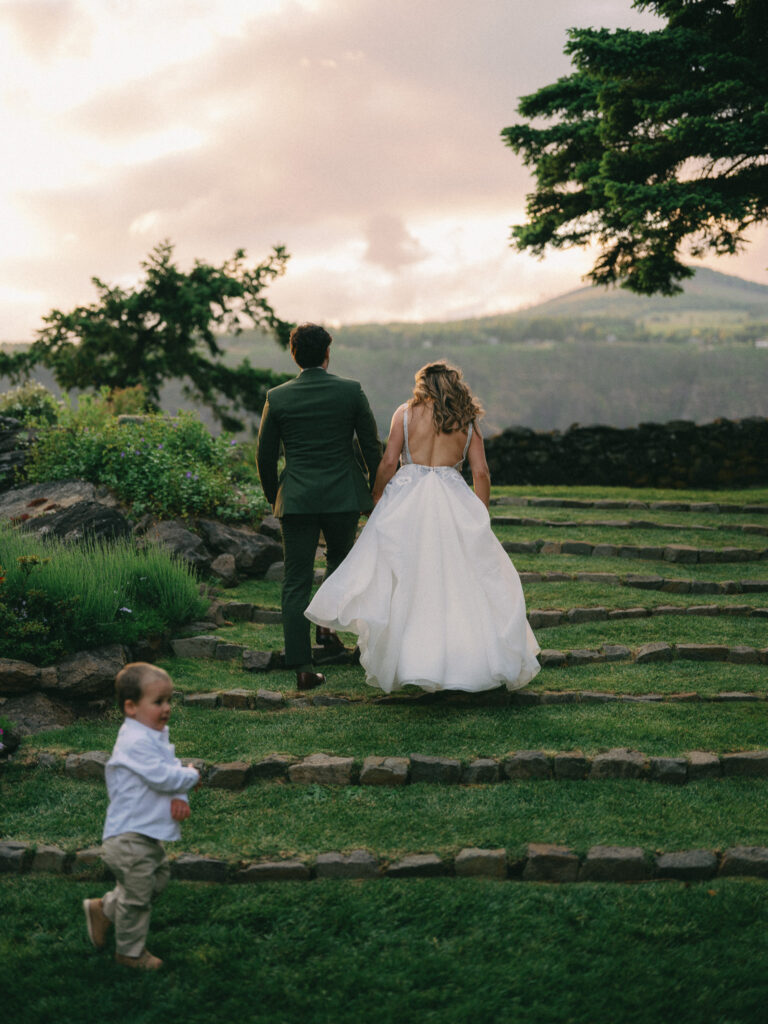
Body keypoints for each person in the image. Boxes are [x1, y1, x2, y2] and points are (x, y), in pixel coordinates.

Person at [306, 360, 541, 694]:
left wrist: (377, 495)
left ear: (422, 385)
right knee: (459, 581)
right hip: (452, 500)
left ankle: (410, 660)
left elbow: (389, 462)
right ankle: (462, 658)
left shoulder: (404, 413)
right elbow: (482, 472)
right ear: (453, 385)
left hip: (408, 501)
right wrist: (479, 513)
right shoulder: (467, 419)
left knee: (406, 580)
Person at [256, 322, 381, 691]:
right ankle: (327, 627)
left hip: (296, 498)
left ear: (293, 355)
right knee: (340, 564)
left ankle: (303, 667)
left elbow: (264, 456)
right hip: (343, 496)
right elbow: (371, 446)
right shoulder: (350, 391)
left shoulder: (277, 397)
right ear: (328, 353)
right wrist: (378, 491)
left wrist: (272, 494)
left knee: (295, 580)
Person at [83, 662, 200, 970]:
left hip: (146, 833)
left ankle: (104, 909)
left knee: (157, 880)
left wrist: (179, 796)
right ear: (131, 707)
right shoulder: (134, 741)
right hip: (127, 837)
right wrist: (191, 775)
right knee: (137, 897)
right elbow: (164, 776)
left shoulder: (155, 735)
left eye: (169, 701)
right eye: (158, 702)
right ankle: (130, 953)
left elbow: (168, 767)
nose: (166, 708)